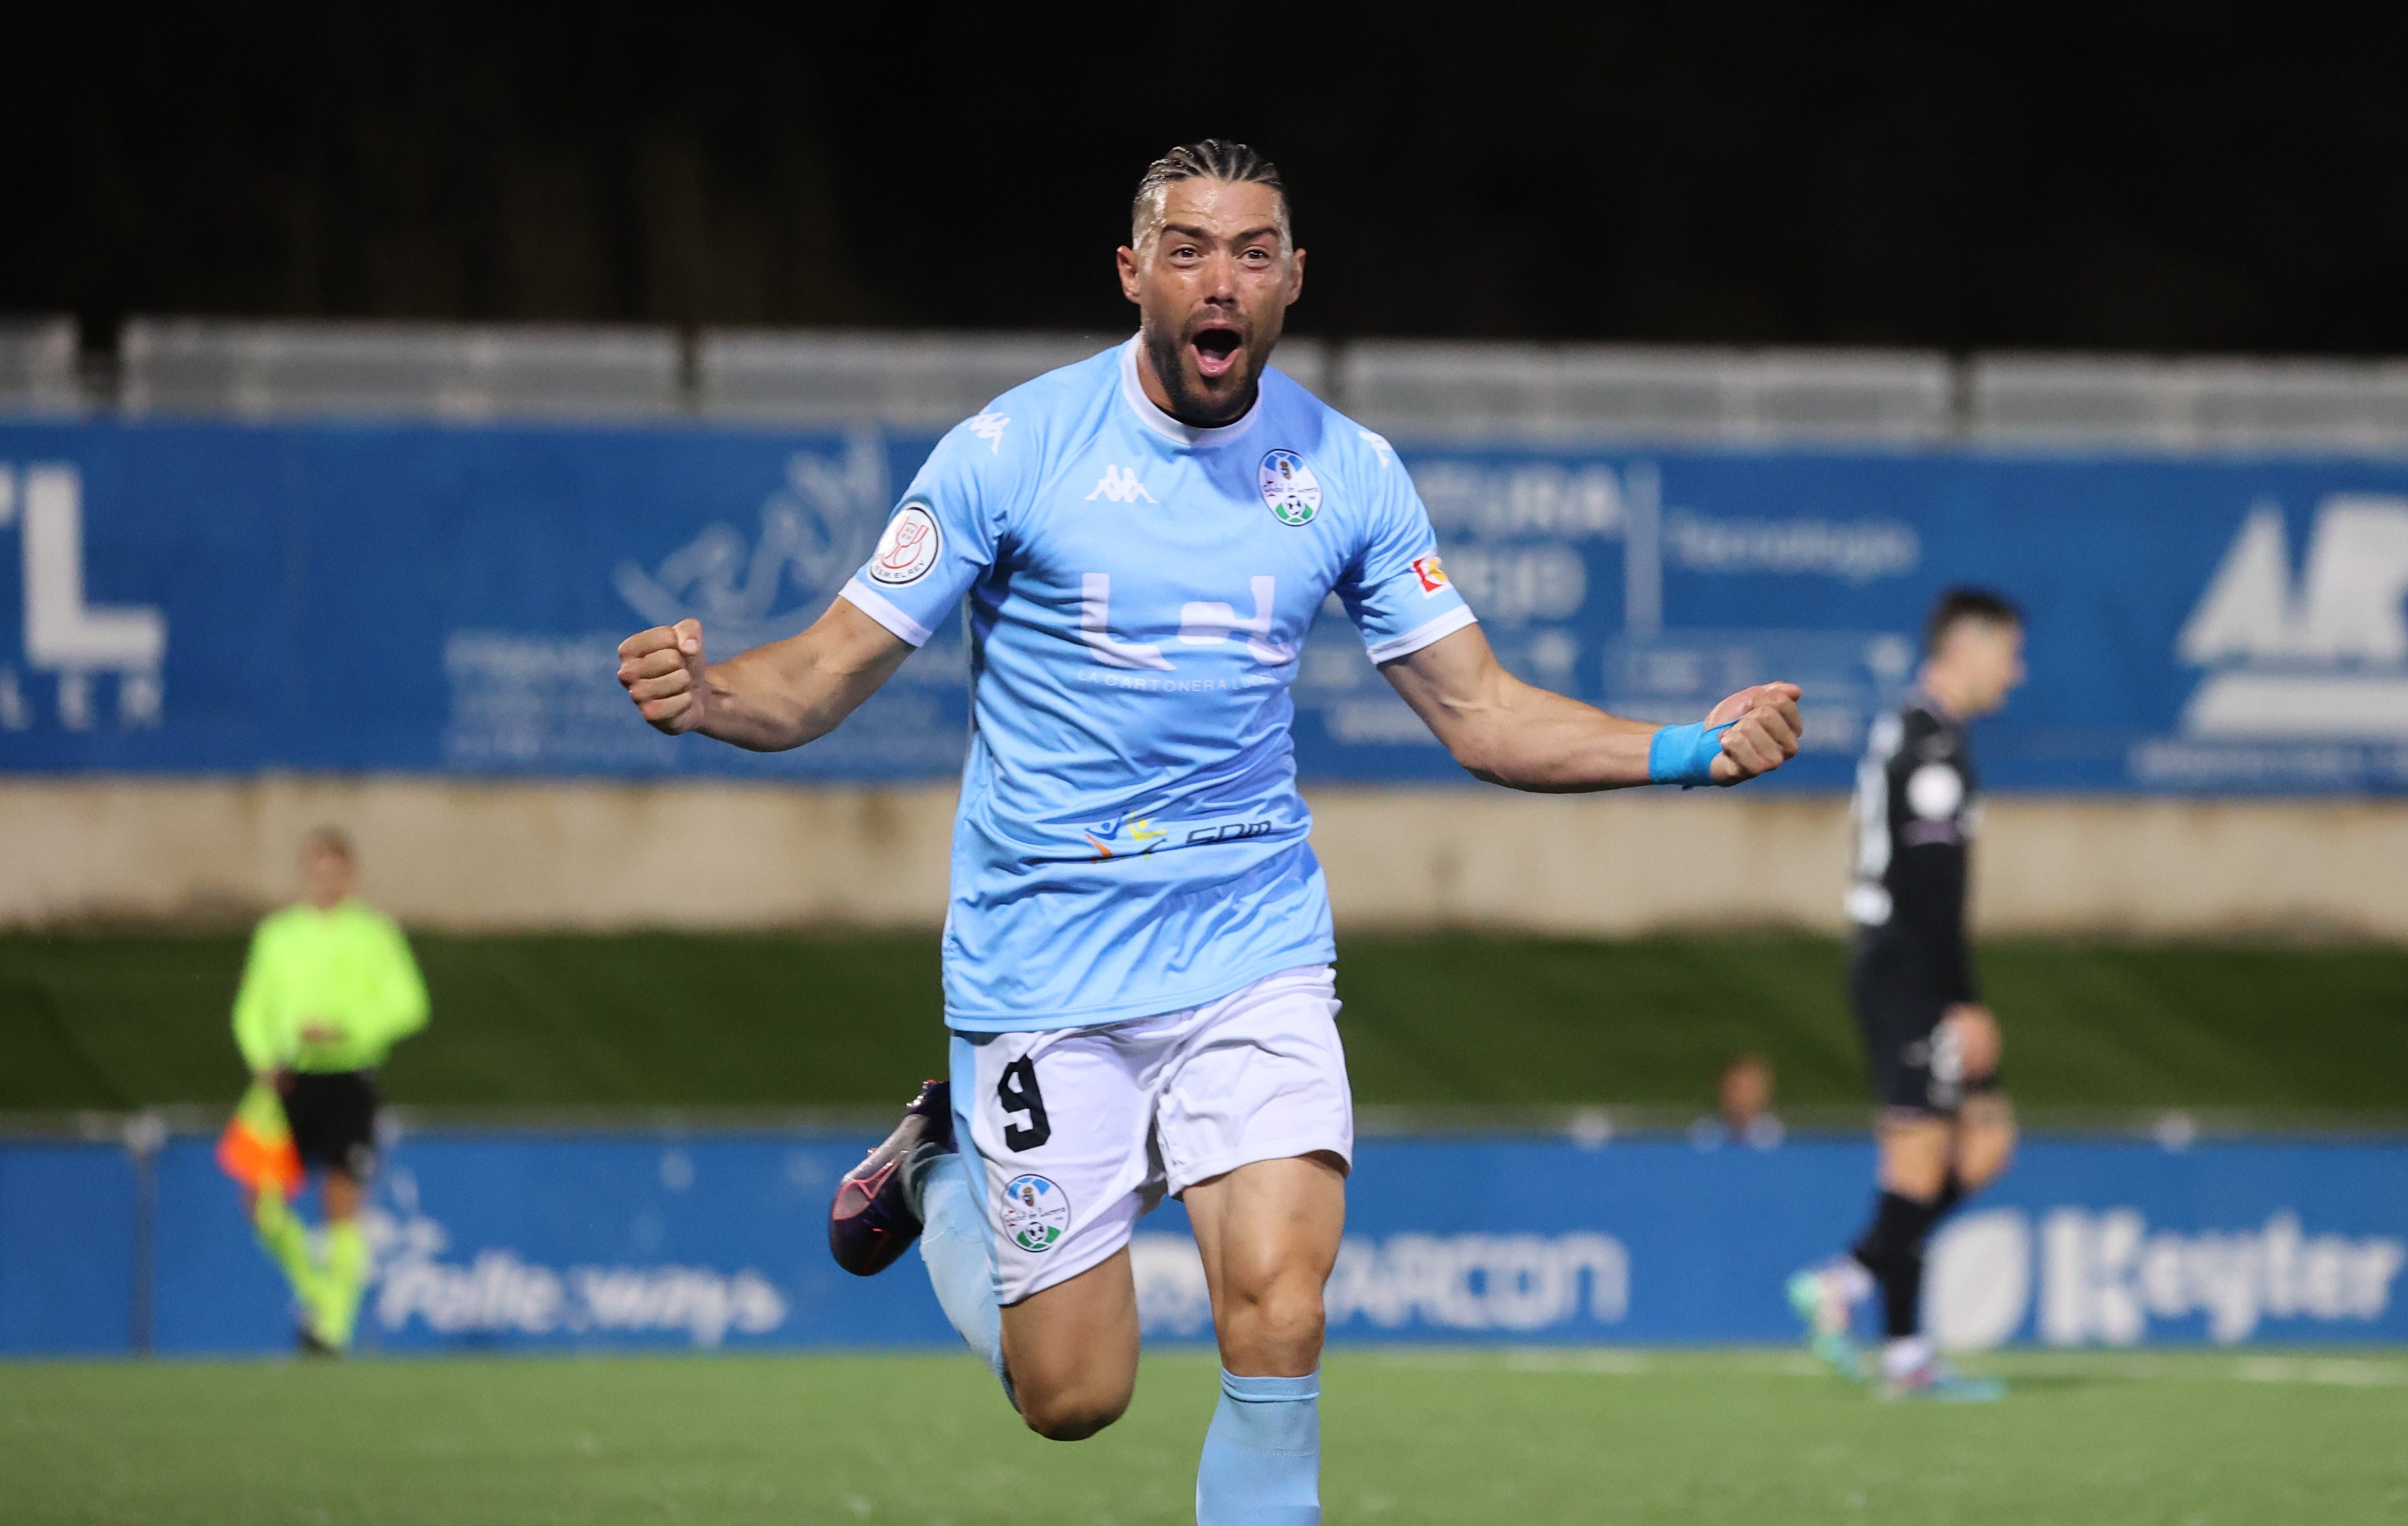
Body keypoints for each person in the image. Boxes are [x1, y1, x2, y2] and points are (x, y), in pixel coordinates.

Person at [616, 140, 1803, 1521]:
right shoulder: (1011, 451)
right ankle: (939, 1168)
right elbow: (822, 670)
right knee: (1074, 1395)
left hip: (1251, 949)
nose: (1219, 280)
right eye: (1187, 251)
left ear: (1294, 279)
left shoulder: (1346, 471)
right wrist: (710, 694)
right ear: (1134, 275)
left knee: (1280, 1307)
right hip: (1045, 969)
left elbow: (1481, 712)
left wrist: (1686, 747)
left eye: (1251, 252)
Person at [1788, 588, 2025, 1401]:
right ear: (1967, 647)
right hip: (1906, 967)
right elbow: (1928, 887)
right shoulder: (1929, 745)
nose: (2015, 673)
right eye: (2009, 654)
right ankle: (1904, 1354)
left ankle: (1850, 1280)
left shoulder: (1926, 733)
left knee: (1982, 1142)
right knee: (1923, 1154)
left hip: (1905, 963)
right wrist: (1963, 999)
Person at [231, 826, 429, 1354]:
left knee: (340, 1195)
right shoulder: (277, 935)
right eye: (318, 871)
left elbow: (410, 1004)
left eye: (335, 872)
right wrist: (262, 1057)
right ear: (306, 874)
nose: (326, 881)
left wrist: (347, 1028)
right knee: (260, 1201)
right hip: (288, 1078)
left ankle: (335, 1326)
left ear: (350, 875)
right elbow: (251, 1007)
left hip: (347, 1075)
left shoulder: (374, 933)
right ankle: (320, 1293)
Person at [1690, 1052, 1784, 1149]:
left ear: (1764, 1095)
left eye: (1748, 1090)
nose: (1738, 1097)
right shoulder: (1704, 1136)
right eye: (1733, 1088)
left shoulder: (1776, 1140)